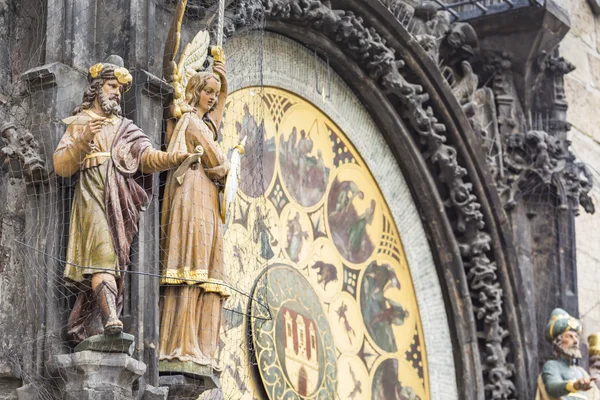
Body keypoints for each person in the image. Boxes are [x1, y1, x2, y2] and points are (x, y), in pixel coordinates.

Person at [53, 57, 189, 344]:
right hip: (91, 197)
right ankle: (111, 318)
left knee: (113, 262)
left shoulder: (126, 128)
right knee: (103, 257)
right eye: (111, 85)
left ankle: (93, 320)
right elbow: (61, 166)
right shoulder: (81, 121)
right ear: (97, 88)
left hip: (120, 201)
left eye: (120, 89)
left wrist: (173, 158)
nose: (116, 92)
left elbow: (147, 159)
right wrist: (81, 141)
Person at [158, 60, 230, 370]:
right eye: (208, 92)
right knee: (192, 265)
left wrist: (224, 89)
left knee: (206, 270)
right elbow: (216, 160)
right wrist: (228, 167)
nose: (212, 99)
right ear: (196, 92)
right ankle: (181, 343)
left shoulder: (201, 123)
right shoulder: (191, 123)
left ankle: (197, 344)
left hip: (206, 199)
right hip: (193, 198)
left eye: (215, 94)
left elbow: (214, 132)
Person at [536, 308, 600, 400]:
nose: (575, 341)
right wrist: (573, 386)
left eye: (576, 337)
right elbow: (552, 387)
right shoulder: (552, 366)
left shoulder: (582, 372)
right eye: (570, 336)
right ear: (558, 341)